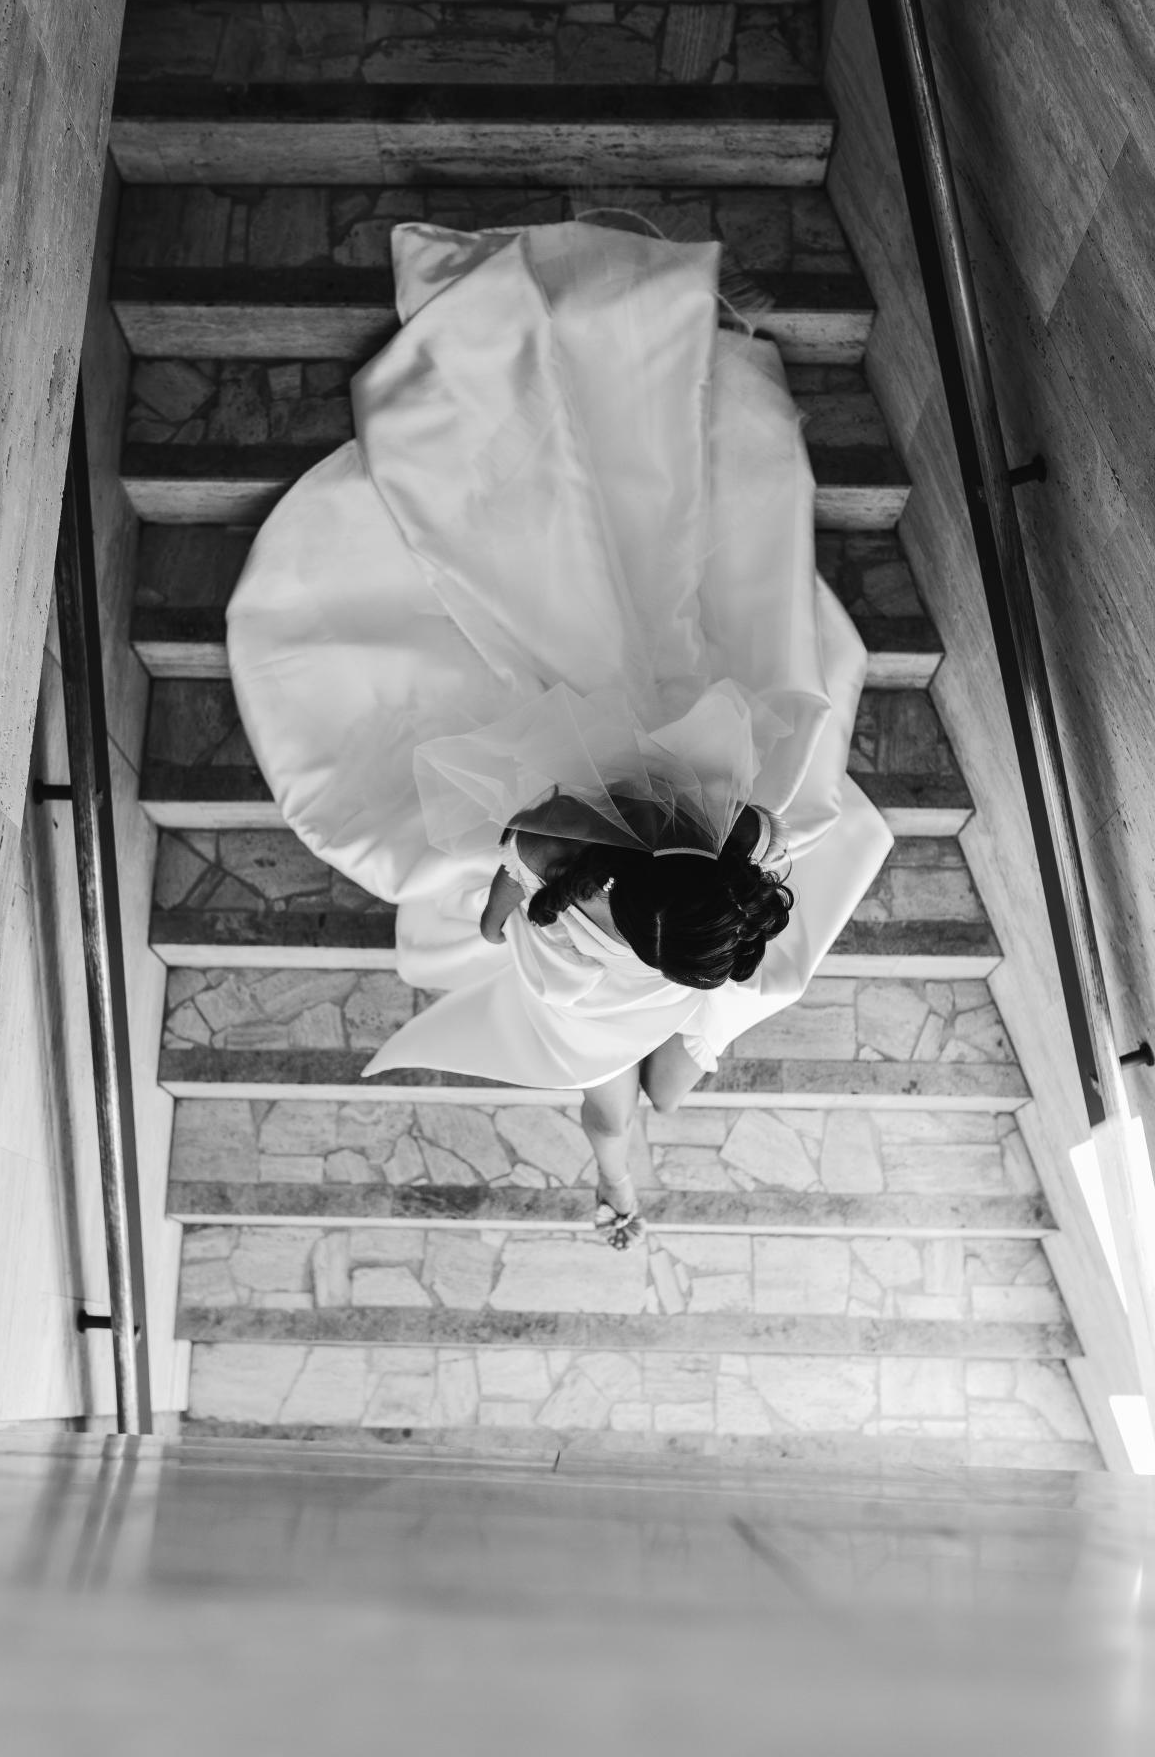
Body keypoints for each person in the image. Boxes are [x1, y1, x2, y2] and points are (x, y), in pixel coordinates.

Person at [227, 215, 893, 1250]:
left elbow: (723, 861)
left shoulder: (732, 842)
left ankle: (637, 1172)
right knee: (636, 1104)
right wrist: (509, 908)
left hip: (667, 937)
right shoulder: (566, 898)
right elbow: (511, 896)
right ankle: (631, 1181)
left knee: (652, 1094)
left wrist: (623, 1170)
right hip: (611, 977)